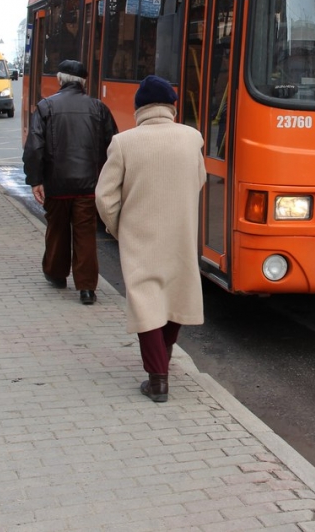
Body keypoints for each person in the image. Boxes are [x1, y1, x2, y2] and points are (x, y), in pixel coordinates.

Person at [95, 75, 206, 403]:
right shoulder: (192, 138)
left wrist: (119, 228)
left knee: (146, 303)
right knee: (175, 298)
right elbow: (198, 179)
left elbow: (104, 197)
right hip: (180, 234)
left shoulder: (124, 142)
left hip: (140, 237)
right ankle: (163, 358)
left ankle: (158, 379)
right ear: (172, 106)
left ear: (139, 108)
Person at [23, 59, 117, 305]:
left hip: (57, 184)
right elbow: (112, 146)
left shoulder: (46, 107)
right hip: (88, 186)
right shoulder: (99, 108)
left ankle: (56, 274)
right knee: (85, 234)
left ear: (60, 80)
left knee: (57, 229)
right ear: (84, 83)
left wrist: (36, 180)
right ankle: (87, 288)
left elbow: (34, 147)